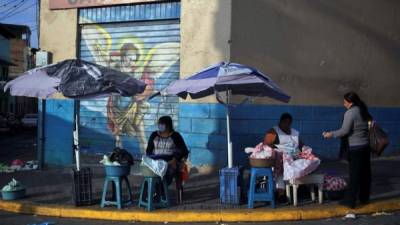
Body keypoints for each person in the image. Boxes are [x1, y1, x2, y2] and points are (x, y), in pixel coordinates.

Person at [323, 92, 372, 208]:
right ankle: (364, 199)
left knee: (354, 175)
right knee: (365, 175)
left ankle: (350, 201)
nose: (343, 104)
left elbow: (344, 131)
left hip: (355, 148)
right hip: (365, 147)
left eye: (345, 102)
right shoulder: (364, 111)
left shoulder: (350, 113)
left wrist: (330, 134)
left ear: (350, 102)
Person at [264, 113, 304, 203]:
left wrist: (305, 150)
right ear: (280, 122)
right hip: (280, 160)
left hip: (294, 158)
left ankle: (302, 189)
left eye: (288, 123)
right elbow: (266, 145)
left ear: (290, 123)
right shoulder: (274, 131)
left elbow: (301, 145)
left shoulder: (294, 133)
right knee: (281, 168)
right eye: (284, 122)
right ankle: (280, 194)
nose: (286, 125)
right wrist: (277, 151)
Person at [146, 116, 189, 186]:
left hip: (170, 161)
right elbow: (149, 150)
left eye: (162, 124)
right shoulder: (154, 135)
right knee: (149, 174)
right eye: (159, 124)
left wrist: (174, 160)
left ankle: (162, 190)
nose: (160, 126)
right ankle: (155, 190)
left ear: (168, 125)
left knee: (169, 172)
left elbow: (182, 150)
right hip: (156, 162)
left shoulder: (175, 136)